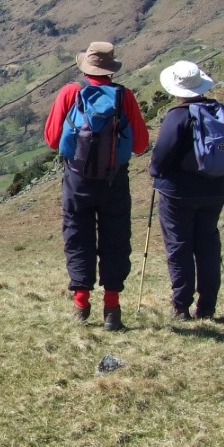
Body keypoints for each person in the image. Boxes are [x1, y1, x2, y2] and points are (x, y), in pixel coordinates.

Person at [44, 41, 149, 331]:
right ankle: (112, 308)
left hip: (77, 179)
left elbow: (53, 139)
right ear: (110, 68)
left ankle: (81, 303)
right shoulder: (123, 96)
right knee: (115, 238)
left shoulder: (70, 92)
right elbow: (140, 143)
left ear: (86, 65)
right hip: (114, 180)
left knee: (77, 235)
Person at [149, 60, 224, 321]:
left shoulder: (177, 116)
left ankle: (181, 307)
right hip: (214, 190)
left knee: (179, 246)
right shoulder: (221, 112)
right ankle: (208, 307)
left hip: (177, 193)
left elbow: (161, 156)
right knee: (208, 245)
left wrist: (155, 173)